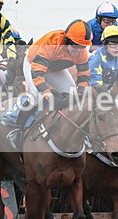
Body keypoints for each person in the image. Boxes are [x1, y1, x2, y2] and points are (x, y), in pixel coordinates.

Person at [5, 19, 92, 147]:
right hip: (33, 64)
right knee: (36, 96)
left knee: (73, 93)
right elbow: (37, 74)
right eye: (76, 46)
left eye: (82, 47)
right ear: (67, 40)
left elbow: (84, 77)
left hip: (55, 68)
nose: (79, 51)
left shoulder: (82, 53)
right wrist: (47, 94)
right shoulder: (52, 43)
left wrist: (81, 94)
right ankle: (17, 128)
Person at [88, 25, 118, 100]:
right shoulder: (96, 57)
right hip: (90, 91)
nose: (117, 48)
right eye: (113, 44)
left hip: (106, 91)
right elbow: (95, 82)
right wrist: (107, 97)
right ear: (105, 45)